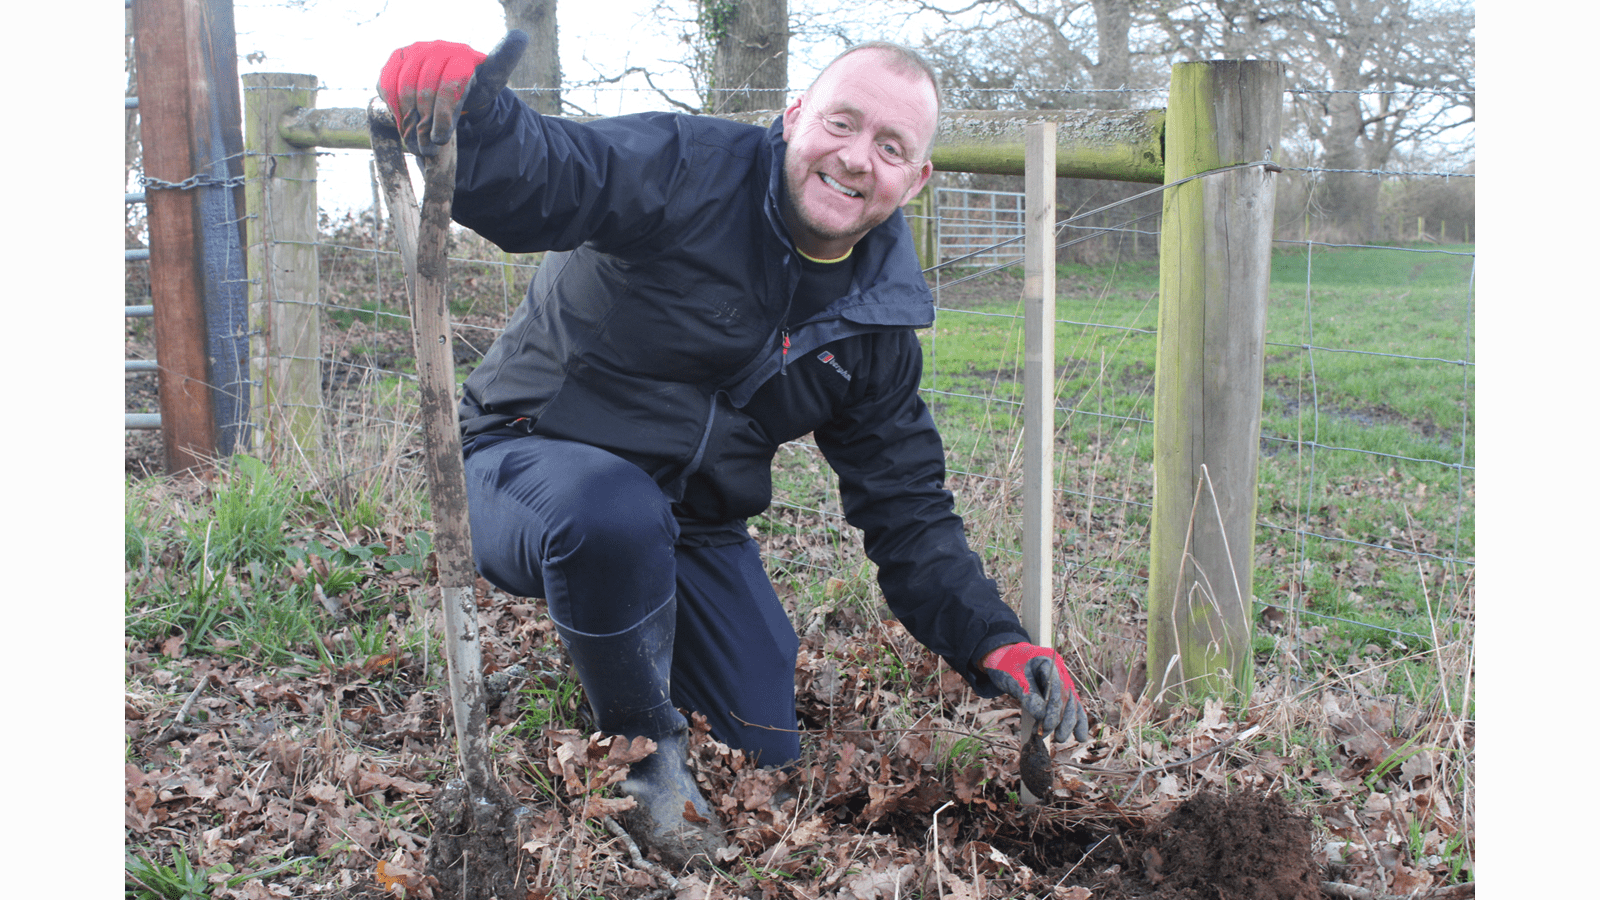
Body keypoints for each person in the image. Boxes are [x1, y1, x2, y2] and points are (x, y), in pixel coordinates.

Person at [378, 31, 1090, 870]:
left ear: (917, 180)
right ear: (794, 118)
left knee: (761, 748)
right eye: (842, 123)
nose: (858, 159)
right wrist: (477, 116)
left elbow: (907, 509)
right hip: (520, 461)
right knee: (610, 514)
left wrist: (996, 642)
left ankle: (627, 647)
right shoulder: (685, 167)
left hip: (692, 523)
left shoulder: (877, 322)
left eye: (891, 148)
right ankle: (645, 755)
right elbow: (555, 172)